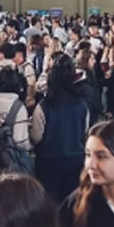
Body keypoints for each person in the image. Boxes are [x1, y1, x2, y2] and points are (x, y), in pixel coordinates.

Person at [31, 54, 89, 202]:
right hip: (75, 161)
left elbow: (36, 136)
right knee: (72, 203)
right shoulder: (82, 105)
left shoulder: (43, 107)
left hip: (48, 163)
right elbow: (85, 132)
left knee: (48, 204)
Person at [13, 42, 37, 110]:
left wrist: (29, 98)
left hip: (25, 102)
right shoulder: (16, 67)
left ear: (19, 54)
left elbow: (31, 84)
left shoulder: (27, 67)